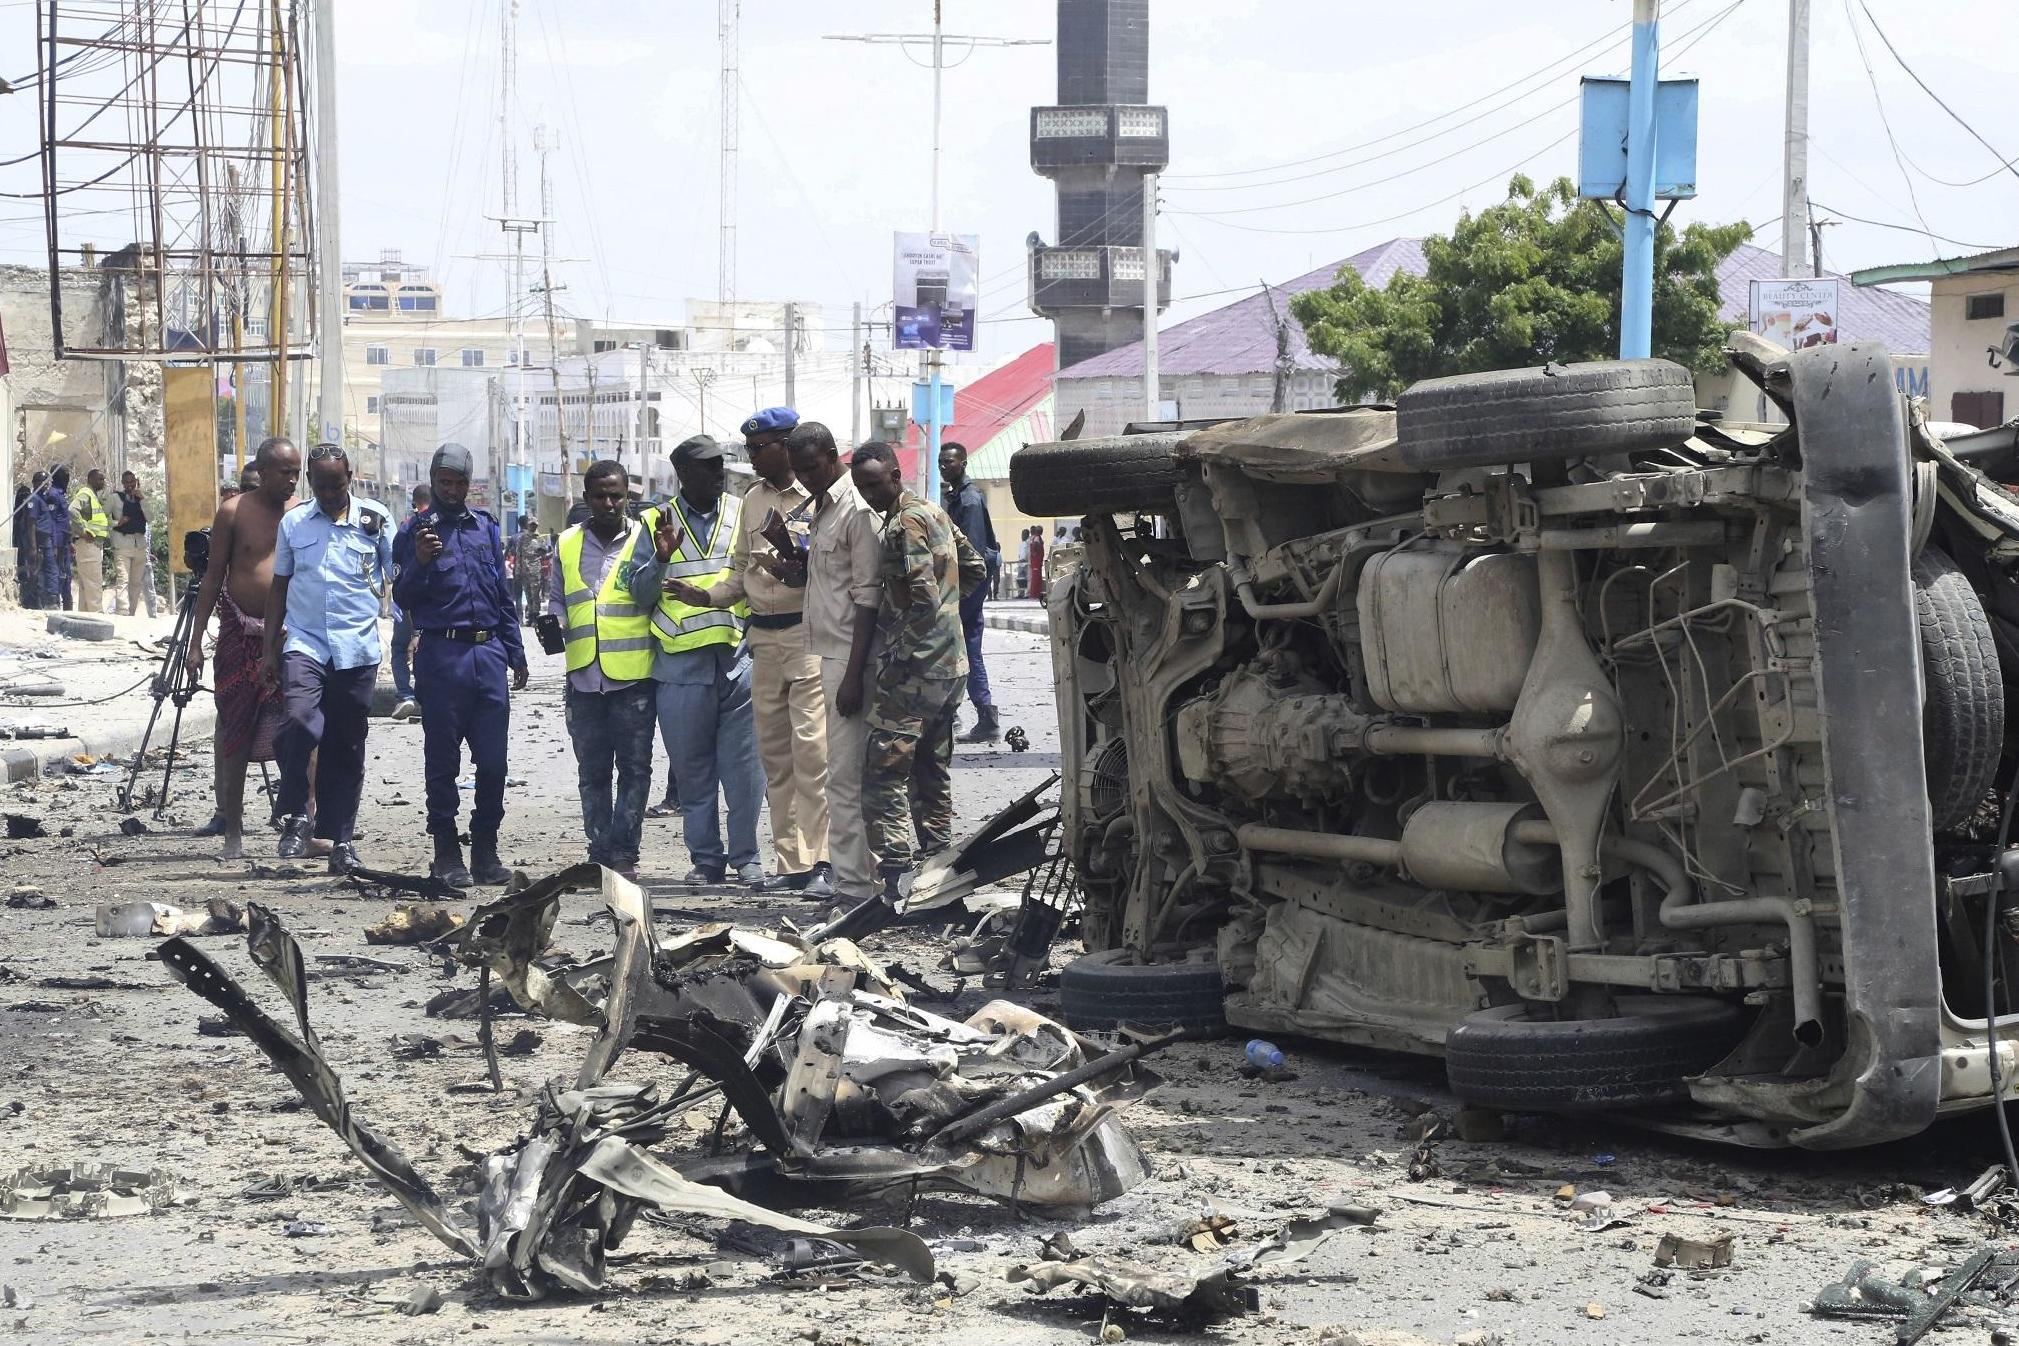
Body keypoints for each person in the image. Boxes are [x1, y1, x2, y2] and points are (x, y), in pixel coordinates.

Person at [668, 407, 831, 899]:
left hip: (806, 638)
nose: (752, 459)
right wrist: (708, 596)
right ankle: (792, 861)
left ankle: (821, 859)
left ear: (786, 445)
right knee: (776, 758)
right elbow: (740, 573)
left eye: (759, 449)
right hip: (762, 641)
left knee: (812, 754)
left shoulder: (820, 498)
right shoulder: (753, 501)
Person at [851, 443, 987, 899]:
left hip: (917, 670)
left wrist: (901, 652)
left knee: (882, 774)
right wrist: (949, 617)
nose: (869, 493)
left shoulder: (904, 523)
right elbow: (975, 568)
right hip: (951, 666)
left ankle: (896, 875)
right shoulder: (933, 511)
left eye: (875, 483)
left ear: (895, 474)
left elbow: (923, 598)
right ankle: (938, 866)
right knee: (931, 767)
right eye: (861, 485)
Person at [631, 434, 764, 886]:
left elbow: (756, 577)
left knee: (746, 771)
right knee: (693, 774)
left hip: (738, 663)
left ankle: (747, 857)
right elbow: (638, 594)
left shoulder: (742, 511)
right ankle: (706, 859)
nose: (719, 474)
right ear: (684, 474)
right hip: (680, 668)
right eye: (709, 468)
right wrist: (660, 561)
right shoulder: (654, 521)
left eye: (721, 466)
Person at [393, 444, 527, 888]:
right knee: (442, 762)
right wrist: (423, 562)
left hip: (488, 655)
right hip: (441, 657)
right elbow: (403, 599)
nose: (452, 490)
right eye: (444, 482)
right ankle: (446, 853)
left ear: (470, 485)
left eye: (460, 483)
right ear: (432, 479)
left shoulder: (486, 528)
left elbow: (502, 596)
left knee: (493, 764)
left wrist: (515, 650)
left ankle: (486, 850)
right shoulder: (413, 532)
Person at [263, 443, 394, 874]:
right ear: (310, 484)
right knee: (299, 721)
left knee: (346, 745)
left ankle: (341, 840)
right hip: (305, 643)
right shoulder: (294, 522)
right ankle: (298, 812)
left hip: (357, 649)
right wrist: (269, 649)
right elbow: (279, 587)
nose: (330, 494)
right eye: (320, 486)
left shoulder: (374, 520)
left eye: (336, 485)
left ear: (350, 477)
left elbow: (399, 574)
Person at [185, 437, 300, 858]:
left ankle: (300, 823)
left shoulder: (302, 514)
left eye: (296, 473)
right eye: (284, 473)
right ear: (263, 472)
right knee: (235, 730)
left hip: (291, 634)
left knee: (301, 729)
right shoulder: (234, 512)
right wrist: (194, 643)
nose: (291, 481)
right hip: (237, 632)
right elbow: (213, 577)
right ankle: (232, 829)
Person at [549, 460, 656, 880]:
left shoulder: (644, 539)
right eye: (600, 496)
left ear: (627, 496)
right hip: (583, 678)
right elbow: (559, 597)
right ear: (587, 499)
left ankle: (625, 854)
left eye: (617, 495)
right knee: (591, 772)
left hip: (633, 678)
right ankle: (598, 850)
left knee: (635, 769)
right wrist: (553, 621)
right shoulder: (567, 542)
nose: (609, 503)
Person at [792, 423, 884, 905]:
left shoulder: (856, 509)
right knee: (844, 776)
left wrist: (852, 675)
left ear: (832, 457)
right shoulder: (824, 506)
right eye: (799, 471)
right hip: (829, 655)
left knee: (844, 779)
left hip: (852, 660)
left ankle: (854, 887)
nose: (805, 478)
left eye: (812, 467)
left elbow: (868, 598)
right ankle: (859, 881)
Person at [938, 441, 1001, 744]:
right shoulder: (955, 496)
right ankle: (983, 715)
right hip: (965, 581)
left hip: (970, 582)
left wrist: (958, 595)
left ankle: (954, 715)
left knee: (954, 646)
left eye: (949, 462)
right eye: (941, 462)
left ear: (962, 463)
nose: (943, 467)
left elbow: (972, 554)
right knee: (967, 646)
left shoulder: (970, 500)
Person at [389, 483, 429, 720]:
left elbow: (396, 569)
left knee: (399, 648)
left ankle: (405, 694)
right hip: (432, 602)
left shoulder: (405, 529)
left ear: (414, 503)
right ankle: (426, 697)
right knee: (426, 647)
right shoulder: (441, 524)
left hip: (405, 599)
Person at [110, 470, 157, 618]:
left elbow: (150, 518)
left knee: (136, 582)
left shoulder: (141, 498)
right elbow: (101, 518)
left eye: (132, 482)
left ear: (135, 482)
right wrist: (116, 522)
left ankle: (131, 612)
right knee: (123, 579)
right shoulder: (115, 498)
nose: (130, 485)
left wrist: (142, 500)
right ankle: (122, 611)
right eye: (127, 482)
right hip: (122, 544)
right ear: (123, 483)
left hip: (140, 546)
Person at [70, 467, 110, 614]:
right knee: (94, 584)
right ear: (91, 479)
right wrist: (83, 530)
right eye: (100, 479)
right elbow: (72, 510)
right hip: (89, 545)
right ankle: (97, 616)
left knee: (86, 586)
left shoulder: (93, 496)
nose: (103, 482)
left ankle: (85, 616)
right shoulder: (86, 493)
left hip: (89, 546)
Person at [35, 467, 72, 610]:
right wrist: (55, 544)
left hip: (65, 542)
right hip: (57, 542)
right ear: (56, 477)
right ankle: (52, 602)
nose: (67, 479)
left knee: (66, 574)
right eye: (65, 475)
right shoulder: (53, 495)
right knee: (54, 572)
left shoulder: (62, 494)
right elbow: (51, 520)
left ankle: (67, 605)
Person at [514, 519, 550, 624]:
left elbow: (544, 552)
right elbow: (518, 555)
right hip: (524, 570)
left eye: (535, 525)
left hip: (535, 569)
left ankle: (535, 616)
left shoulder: (540, 539)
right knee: (527, 593)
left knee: (535, 594)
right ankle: (530, 616)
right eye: (531, 525)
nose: (533, 527)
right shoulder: (522, 538)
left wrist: (542, 550)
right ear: (528, 525)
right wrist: (517, 571)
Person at [11, 480, 37, 610]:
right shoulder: (19, 516)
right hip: (23, 549)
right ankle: (28, 600)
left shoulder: (20, 514)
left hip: (24, 549)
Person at [1027, 525, 1047, 600]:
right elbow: (1035, 546)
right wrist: (1035, 553)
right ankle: (1034, 594)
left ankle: (1036, 593)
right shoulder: (1036, 538)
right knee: (1036, 577)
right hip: (1036, 560)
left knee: (1037, 577)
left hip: (1037, 560)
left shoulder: (1034, 537)